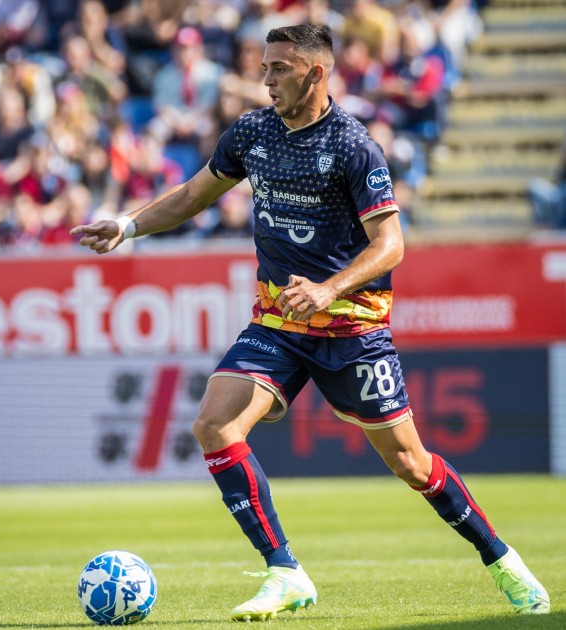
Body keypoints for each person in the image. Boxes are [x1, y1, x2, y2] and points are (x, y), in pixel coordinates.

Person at [71, 24, 550, 622]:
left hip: (352, 329)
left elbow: (391, 244)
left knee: (411, 463)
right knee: (215, 425)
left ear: (316, 73)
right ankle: (284, 572)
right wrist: (130, 225)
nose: (265, 79)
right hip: (278, 321)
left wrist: (327, 288)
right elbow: (195, 194)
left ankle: (503, 560)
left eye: (278, 69)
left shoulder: (353, 146)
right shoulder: (252, 132)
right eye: (264, 67)